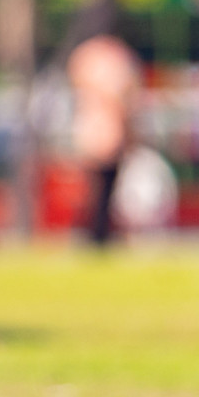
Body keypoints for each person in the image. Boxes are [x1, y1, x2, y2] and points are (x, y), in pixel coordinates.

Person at [66, 32, 141, 245]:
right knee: (96, 187)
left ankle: (99, 231)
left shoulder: (90, 56)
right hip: (102, 130)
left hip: (104, 130)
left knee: (103, 186)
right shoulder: (108, 59)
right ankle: (94, 231)